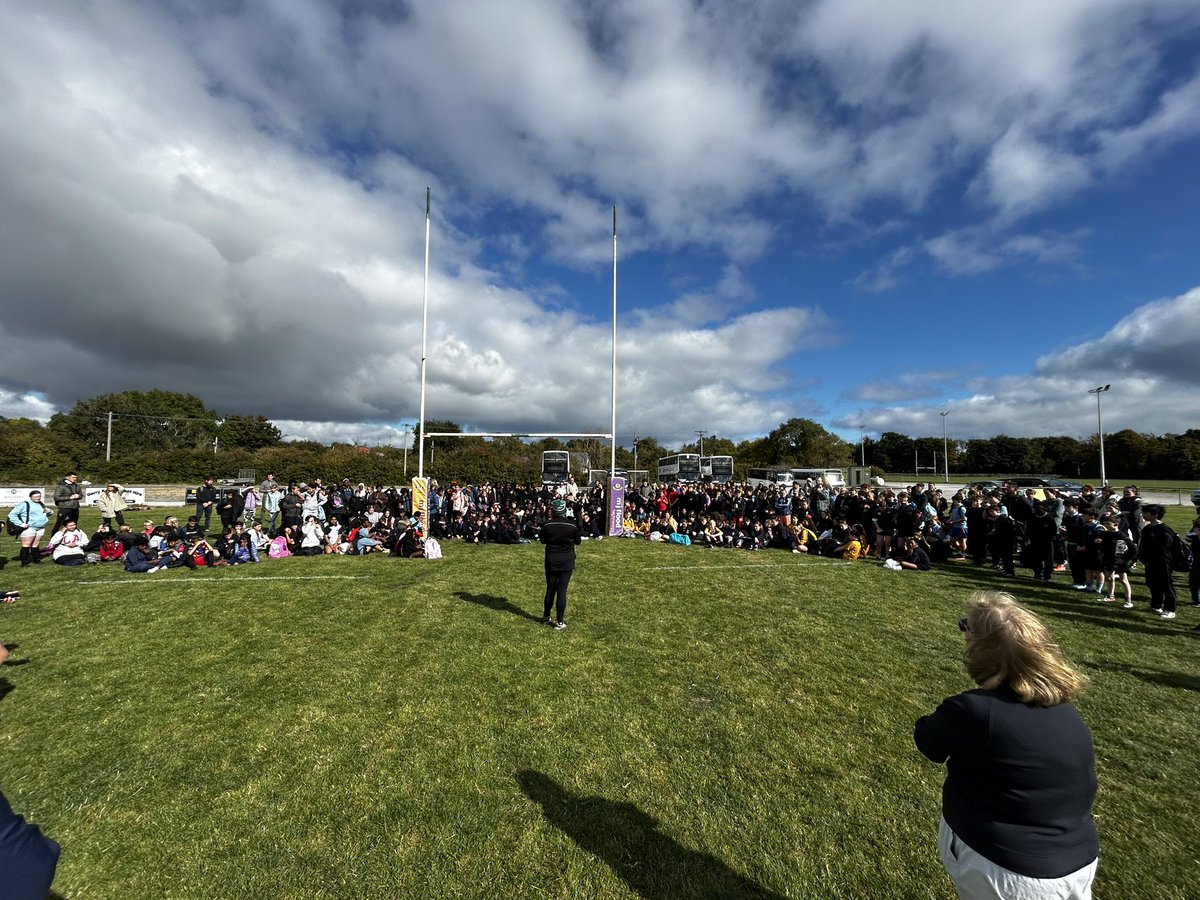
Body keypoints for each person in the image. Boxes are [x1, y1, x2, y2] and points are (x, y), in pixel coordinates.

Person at [915, 592, 1098, 900]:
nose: (963, 636)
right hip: (1078, 862)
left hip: (1008, 872)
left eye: (966, 628)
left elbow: (929, 742)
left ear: (982, 646)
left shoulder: (974, 710)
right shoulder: (1065, 709)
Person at [539, 498, 580, 630]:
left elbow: (542, 540)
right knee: (562, 590)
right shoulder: (572, 525)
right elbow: (578, 541)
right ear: (564, 511)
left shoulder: (547, 525)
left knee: (550, 588)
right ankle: (560, 622)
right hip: (567, 560)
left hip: (551, 559)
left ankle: (546, 617)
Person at [1137, 504, 1178, 619]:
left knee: (1166, 585)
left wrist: (1152, 559)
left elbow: (1164, 549)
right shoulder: (1147, 528)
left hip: (1162, 562)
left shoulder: (1165, 530)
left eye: (1146, 513)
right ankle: (1156, 605)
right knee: (1152, 583)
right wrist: (1143, 558)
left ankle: (1170, 609)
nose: (1143, 515)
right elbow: (1143, 545)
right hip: (1149, 562)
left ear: (1155, 515)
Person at [8, 490, 50, 567]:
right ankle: (24, 562)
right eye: (35, 497)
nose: (38, 498)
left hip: (40, 527)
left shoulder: (41, 504)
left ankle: (36, 559)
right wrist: (21, 524)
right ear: (30, 496)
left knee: (35, 544)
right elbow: (12, 515)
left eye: (39, 496)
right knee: (26, 544)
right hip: (30, 528)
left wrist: (49, 512)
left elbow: (43, 514)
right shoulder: (24, 504)